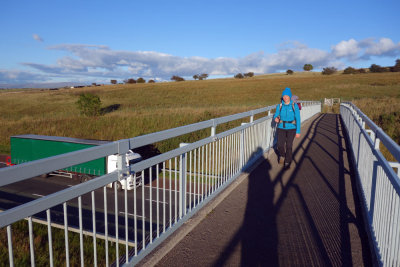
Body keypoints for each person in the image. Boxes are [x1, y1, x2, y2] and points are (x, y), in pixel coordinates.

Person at [273, 87, 301, 169]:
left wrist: (298, 131)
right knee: (280, 145)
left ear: (290, 96)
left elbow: (298, 119)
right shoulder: (280, 106)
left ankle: (288, 161)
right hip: (281, 127)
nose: (285, 98)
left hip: (292, 128)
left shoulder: (294, 106)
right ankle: (282, 155)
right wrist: (276, 118)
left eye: (287, 96)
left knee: (289, 145)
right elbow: (276, 114)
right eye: (284, 96)